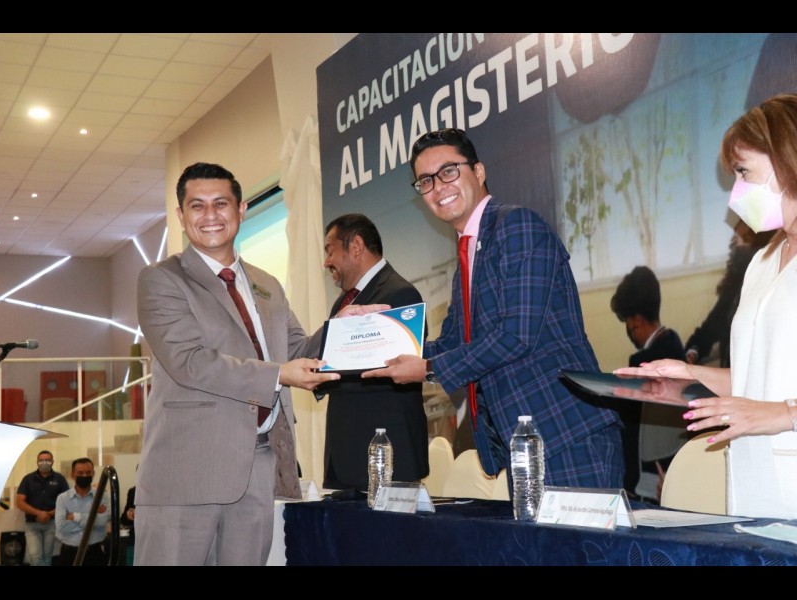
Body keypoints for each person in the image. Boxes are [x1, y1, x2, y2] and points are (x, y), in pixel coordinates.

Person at [134, 162, 380, 566]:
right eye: (197, 205)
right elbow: (189, 362)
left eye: (221, 203)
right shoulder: (161, 279)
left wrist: (340, 328)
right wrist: (280, 375)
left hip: (257, 465)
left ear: (241, 209)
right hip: (187, 474)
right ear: (181, 215)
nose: (210, 215)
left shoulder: (267, 285)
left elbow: (297, 349)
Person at [363, 128, 624, 489]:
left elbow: (517, 336)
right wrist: (376, 339)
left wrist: (427, 369)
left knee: (576, 532)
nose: (438, 187)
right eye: (426, 181)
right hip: (525, 444)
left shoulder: (516, 226)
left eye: (448, 171)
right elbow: (453, 342)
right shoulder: (468, 253)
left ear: (479, 171)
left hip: (567, 434)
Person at [616, 93, 797, 519]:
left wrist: (783, 414)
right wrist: (690, 373)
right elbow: (756, 381)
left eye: (743, 172)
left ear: (785, 158)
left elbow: (770, 405)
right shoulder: (763, 262)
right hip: (753, 481)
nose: (736, 193)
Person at [317, 213, 428, 492]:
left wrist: (325, 376)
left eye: (330, 250)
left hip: (386, 457)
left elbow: (396, 375)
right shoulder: (343, 304)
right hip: (347, 457)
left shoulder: (400, 295)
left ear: (356, 246)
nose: (326, 262)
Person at [610, 265, 687, 501]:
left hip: (649, 478)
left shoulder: (642, 362)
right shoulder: (675, 345)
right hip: (677, 461)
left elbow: (626, 420)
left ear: (636, 321)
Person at [684, 221, 774, 367]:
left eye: (745, 240)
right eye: (736, 240)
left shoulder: (772, 287)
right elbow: (709, 329)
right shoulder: (733, 287)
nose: (737, 248)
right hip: (729, 373)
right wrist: (694, 350)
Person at [15, 450, 69, 566]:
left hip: (52, 523)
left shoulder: (59, 479)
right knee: (35, 555)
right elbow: (19, 502)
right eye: (41, 460)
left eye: (48, 460)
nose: (44, 462)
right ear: (37, 462)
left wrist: (49, 514)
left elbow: (67, 502)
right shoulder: (28, 479)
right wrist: (38, 513)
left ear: (52, 462)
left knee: (47, 556)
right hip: (32, 524)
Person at [54, 457, 109, 566]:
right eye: (80, 473)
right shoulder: (62, 498)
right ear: (72, 475)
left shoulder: (102, 497)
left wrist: (75, 517)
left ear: (93, 474)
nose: (84, 476)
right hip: (69, 554)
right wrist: (92, 520)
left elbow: (103, 521)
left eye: (88, 472)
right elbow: (61, 526)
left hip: (95, 554)